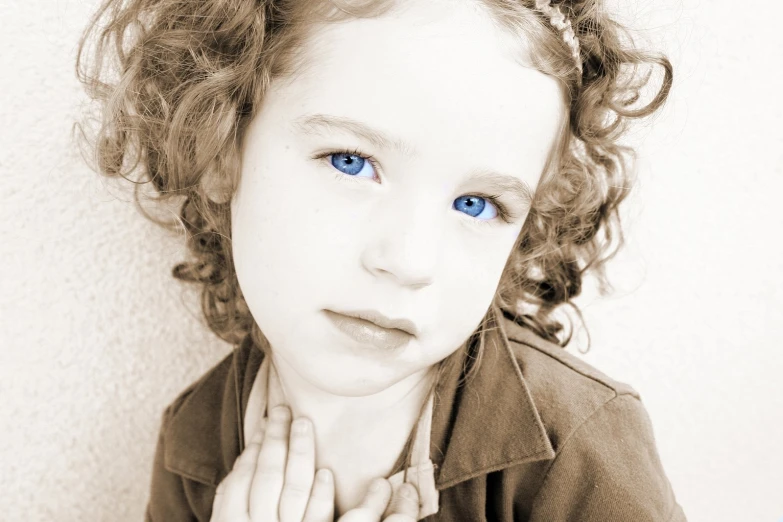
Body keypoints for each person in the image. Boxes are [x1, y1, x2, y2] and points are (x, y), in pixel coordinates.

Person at [75, 0, 684, 520]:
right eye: (351, 162)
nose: (411, 261)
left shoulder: (576, 442)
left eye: (476, 204)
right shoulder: (194, 445)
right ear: (220, 151)